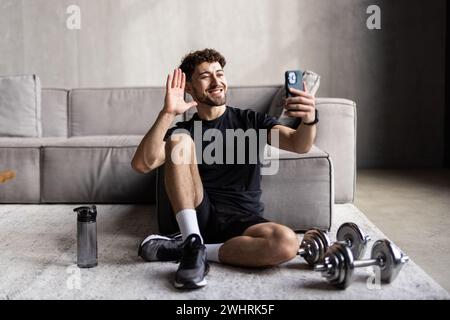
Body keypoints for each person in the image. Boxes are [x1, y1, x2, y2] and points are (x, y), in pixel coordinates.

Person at [131, 48, 317, 290]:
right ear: (189, 87)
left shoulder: (251, 121)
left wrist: (310, 118)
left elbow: (298, 144)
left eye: (220, 73)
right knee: (179, 140)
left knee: (286, 243)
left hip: (243, 219)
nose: (217, 81)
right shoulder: (186, 128)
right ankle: (191, 236)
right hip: (199, 214)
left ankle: (192, 248)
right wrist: (167, 114)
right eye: (206, 76)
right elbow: (142, 164)